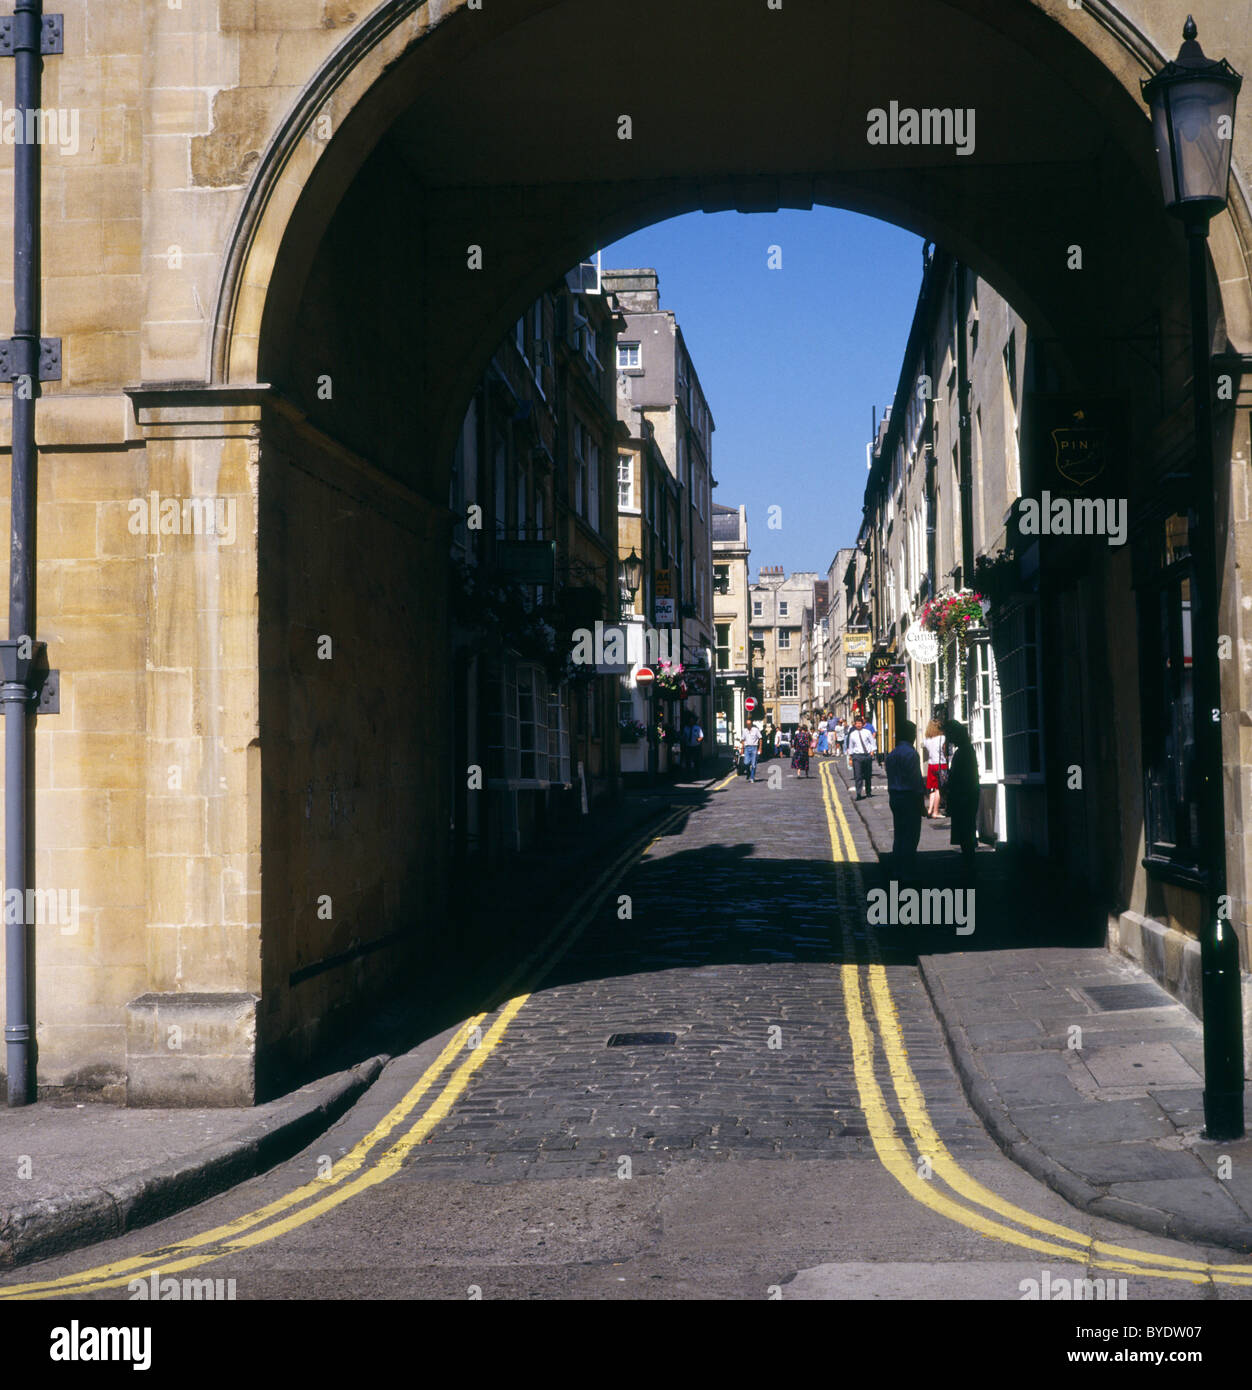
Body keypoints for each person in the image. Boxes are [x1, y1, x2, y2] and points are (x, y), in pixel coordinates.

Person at [885, 719, 926, 883]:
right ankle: (907, 871)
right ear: (910, 735)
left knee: (899, 834)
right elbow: (915, 781)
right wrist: (921, 804)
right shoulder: (911, 754)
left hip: (895, 797)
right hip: (909, 797)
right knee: (911, 835)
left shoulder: (891, 755)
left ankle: (897, 870)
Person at [944, 719, 980, 882]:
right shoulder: (966, 750)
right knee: (966, 831)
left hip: (964, 797)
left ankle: (970, 866)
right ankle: (969, 864)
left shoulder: (964, 752)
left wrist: (949, 782)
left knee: (966, 832)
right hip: (966, 796)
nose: (950, 739)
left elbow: (962, 777)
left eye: (951, 735)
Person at [922, 718, 948, 820]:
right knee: (939, 789)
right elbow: (944, 752)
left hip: (931, 764)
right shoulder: (942, 738)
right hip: (941, 764)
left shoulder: (926, 740)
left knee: (932, 788)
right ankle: (935, 812)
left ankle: (930, 809)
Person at [847, 715, 876, 799]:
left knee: (867, 775)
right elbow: (851, 747)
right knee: (858, 776)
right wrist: (851, 758)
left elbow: (872, 742)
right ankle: (858, 794)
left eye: (860, 723)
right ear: (855, 724)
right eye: (857, 723)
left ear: (863, 724)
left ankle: (868, 792)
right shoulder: (852, 734)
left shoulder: (867, 732)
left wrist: (872, 752)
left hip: (867, 755)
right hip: (857, 756)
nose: (858, 725)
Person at [680, 711, 704, 776]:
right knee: (688, 762)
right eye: (690, 720)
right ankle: (689, 775)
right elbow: (684, 737)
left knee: (696, 761)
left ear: (694, 721)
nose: (691, 721)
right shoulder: (686, 728)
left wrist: (698, 740)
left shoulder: (698, 728)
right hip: (688, 747)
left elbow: (701, 736)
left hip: (696, 747)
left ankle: (697, 774)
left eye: (692, 720)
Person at [739, 716, 762, 783]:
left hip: (754, 747)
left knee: (753, 764)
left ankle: (752, 777)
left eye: (749, 724)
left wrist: (760, 748)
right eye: (747, 724)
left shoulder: (756, 730)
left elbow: (760, 738)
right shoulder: (744, 731)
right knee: (746, 763)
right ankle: (748, 773)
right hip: (747, 748)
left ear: (751, 724)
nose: (748, 726)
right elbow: (742, 740)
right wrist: (742, 748)